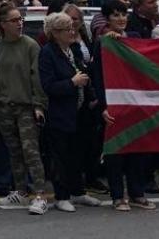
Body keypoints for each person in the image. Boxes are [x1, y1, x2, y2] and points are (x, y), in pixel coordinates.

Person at [0, 4, 49, 215]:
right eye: (14, 20)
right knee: (14, 152)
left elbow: (37, 78)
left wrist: (39, 105)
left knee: (31, 151)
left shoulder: (30, 46)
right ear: (2, 25)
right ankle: (20, 191)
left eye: (20, 19)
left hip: (26, 106)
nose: (19, 23)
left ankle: (40, 194)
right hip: (3, 106)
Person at [93, 0, 157, 211]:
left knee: (138, 149)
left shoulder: (136, 38)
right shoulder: (102, 42)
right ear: (107, 19)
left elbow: (149, 62)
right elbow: (98, 77)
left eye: (123, 14)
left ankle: (137, 193)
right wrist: (103, 106)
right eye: (115, 15)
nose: (121, 19)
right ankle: (118, 196)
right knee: (116, 151)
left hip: (136, 101)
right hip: (114, 103)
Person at [38, 12, 102, 212]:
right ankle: (62, 195)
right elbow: (48, 85)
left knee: (77, 154)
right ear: (55, 33)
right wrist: (72, 83)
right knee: (60, 156)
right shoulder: (48, 53)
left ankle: (78, 191)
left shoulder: (72, 50)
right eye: (67, 29)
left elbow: (82, 71)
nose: (72, 31)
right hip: (60, 113)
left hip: (79, 112)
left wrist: (90, 96)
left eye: (72, 27)